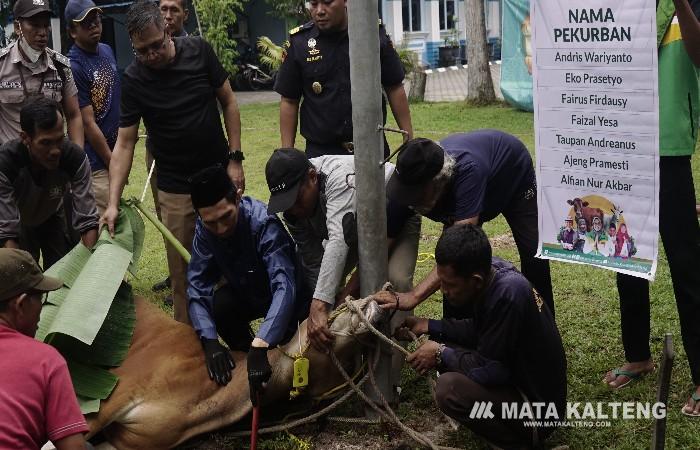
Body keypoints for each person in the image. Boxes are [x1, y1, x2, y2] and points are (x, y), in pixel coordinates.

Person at [102, 0, 243, 324]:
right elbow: (125, 143)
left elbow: (230, 102)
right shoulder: (134, 78)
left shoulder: (199, 51)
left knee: (231, 260)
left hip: (218, 176)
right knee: (184, 276)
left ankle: (234, 332)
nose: (151, 55)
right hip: (175, 186)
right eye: (142, 50)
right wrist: (112, 202)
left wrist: (234, 160)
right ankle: (187, 342)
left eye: (156, 46)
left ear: (167, 30)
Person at [604, 0, 700, 418]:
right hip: (625, 144)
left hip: (670, 148)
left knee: (687, 265)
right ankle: (638, 354)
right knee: (625, 256)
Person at [394, 224, 566, 448]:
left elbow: (491, 371)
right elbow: (481, 329)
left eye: (449, 285)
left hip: (537, 410)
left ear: (475, 280)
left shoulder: (508, 296)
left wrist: (439, 353)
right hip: (522, 383)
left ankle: (515, 442)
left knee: (449, 389)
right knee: (446, 344)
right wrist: (428, 325)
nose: (443, 291)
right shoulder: (492, 272)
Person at [374, 130, 555, 319]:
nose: (409, 201)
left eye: (415, 195)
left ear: (438, 183)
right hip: (473, 183)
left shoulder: (468, 172)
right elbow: (380, 249)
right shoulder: (405, 188)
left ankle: (543, 321)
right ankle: (453, 330)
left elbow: (459, 251)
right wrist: (348, 294)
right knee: (452, 269)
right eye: (405, 193)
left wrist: (413, 296)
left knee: (534, 253)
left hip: (512, 174)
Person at [264, 148, 420, 353]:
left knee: (395, 280)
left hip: (393, 216)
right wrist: (329, 307)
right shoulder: (293, 213)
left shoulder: (338, 176)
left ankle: (393, 365)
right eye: (286, 203)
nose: (293, 209)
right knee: (330, 292)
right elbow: (313, 262)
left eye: (296, 199)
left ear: (312, 177)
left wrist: (320, 306)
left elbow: (338, 240)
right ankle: (353, 353)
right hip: (354, 229)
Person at [186, 165, 311, 402]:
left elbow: (284, 286)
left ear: (238, 195)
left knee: (292, 355)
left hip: (290, 301)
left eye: (226, 217)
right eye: (211, 223)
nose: (220, 229)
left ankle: (263, 350)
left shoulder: (263, 223)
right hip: (247, 293)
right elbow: (197, 286)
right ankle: (246, 355)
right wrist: (209, 340)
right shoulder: (204, 231)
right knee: (220, 304)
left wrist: (263, 342)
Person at [274, 0, 413, 157]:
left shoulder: (371, 33)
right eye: (313, 4)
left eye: (327, 2)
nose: (319, 10)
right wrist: (287, 154)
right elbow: (289, 100)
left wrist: (409, 139)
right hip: (322, 154)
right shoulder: (300, 42)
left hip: (372, 148)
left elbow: (394, 87)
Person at [0, 248, 90, 450]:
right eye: (40, 299)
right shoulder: (45, 359)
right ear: (20, 304)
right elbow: (73, 447)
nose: (42, 309)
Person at [0, 98, 98, 268]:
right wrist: (18, 277)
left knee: (62, 272)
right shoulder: (6, 164)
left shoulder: (74, 159)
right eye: (45, 142)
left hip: (53, 213)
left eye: (59, 139)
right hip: (17, 220)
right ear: (25, 138)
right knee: (24, 273)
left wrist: (92, 269)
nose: (55, 150)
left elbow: (88, 220)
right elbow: (8, 232)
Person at [148, 0, 191, 298]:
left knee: (193, 217)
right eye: (163, 9)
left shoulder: (193, 50)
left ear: (184, 14)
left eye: (174, 9)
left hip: (188, 153)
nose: (168, 15)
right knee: (166, 215)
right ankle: (175, 274)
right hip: (156, 149)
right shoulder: (148, 54)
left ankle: (199, 278)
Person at [0, 0, 83, 147]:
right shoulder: (1, 65)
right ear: (17, 27)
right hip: (11, 164)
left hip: (52, 160)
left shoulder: (60, 67)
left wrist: (76, 157)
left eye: (46, 25)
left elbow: (74, 115)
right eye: (35, 25)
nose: (42, 33)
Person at [66, 0, 120, 214]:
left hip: (115, 155)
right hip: (97, 162)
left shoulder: (107, 50)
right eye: (86, 23)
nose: (94, 26)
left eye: (96, 19)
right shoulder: (73, 65)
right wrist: (111, 161)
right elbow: (87, 122)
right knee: (105, 229)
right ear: (72, 31)